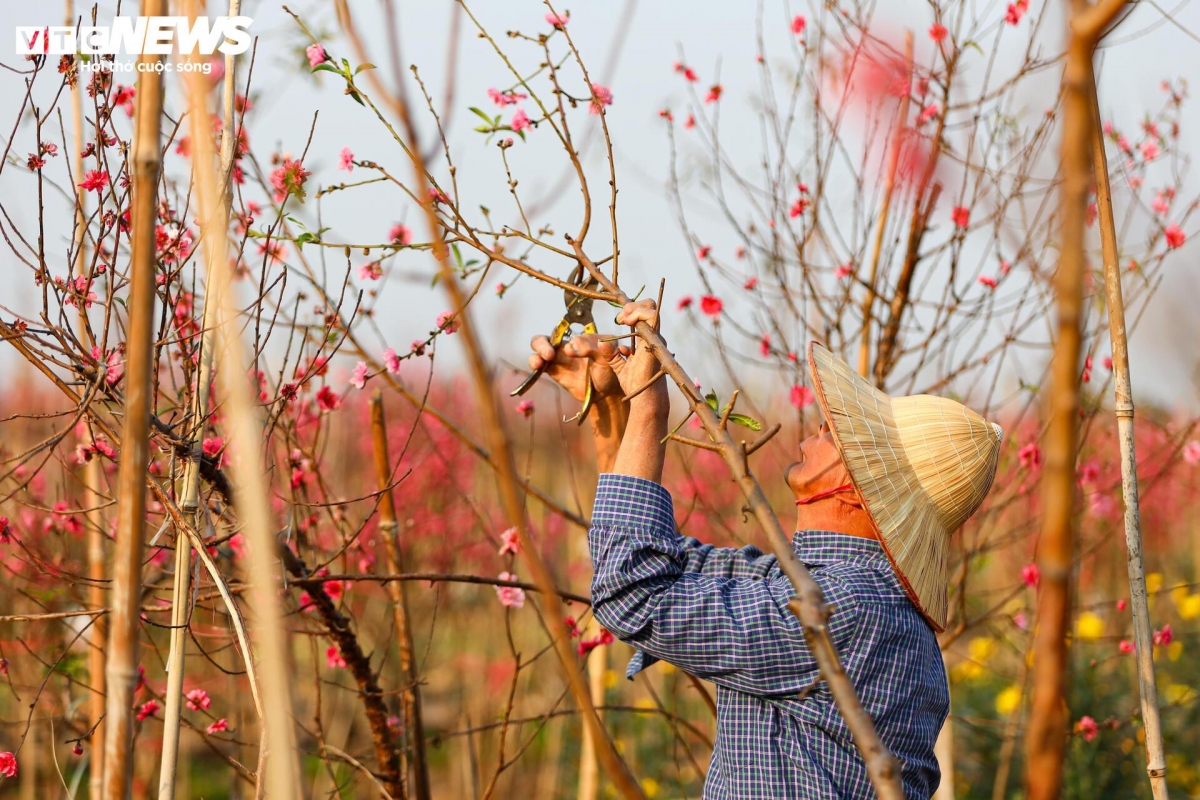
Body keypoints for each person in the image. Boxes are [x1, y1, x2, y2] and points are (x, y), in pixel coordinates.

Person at [528, 300, 1004, 799]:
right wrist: (614, 418)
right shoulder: (828, 591)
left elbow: (634, 595)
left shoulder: (843, 608)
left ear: (865, 485)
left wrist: (650, 410)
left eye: (842, 435)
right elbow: (651, 561)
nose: (820, 430)